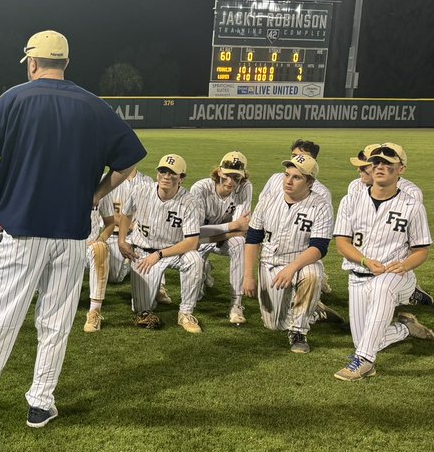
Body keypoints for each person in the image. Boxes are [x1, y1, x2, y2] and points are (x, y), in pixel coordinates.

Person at [0, 29, 146, 428]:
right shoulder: (93, 105)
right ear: (67, 63)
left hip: (23, 230)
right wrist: (95, 193)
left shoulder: (16, 97)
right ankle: (41, 402)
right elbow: (128, 163)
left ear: (32, 63)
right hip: (73, 232)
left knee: (4, 313)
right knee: (55, 318)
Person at [331, 144, 434, 382]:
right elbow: (342, 245)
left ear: (401, 169)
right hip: (357, 277)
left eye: (388, 163)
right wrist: (366, 261)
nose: (380, 166)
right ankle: (406, 328)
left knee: (382, 287)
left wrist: (406, 265)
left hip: (396, 276)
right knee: (369, 339)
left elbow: (422, 250)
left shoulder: (412, 206)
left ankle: (365, 363)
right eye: (376, 162)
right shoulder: (351, 201)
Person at [242, 154, 333, 353]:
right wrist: (248, 276)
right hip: (270, 262)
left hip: (301, 262)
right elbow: (253, 239)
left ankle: (299, 331)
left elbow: (319, 247)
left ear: (310, 182)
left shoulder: (321, 206)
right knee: (274, 325)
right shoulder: (268, 201)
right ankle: (316, 312)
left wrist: (292, 268)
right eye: (286, 175)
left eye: (296, 177)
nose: (288, 181)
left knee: (313, 274)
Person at [118, 154, 205, 332]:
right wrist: (121, 240)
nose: (166, 176)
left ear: (181, 178)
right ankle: (155, 288)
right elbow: (126, 215)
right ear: (157, 174)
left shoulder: (189, 202)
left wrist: (159, 255)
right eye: (162, 171)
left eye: (172, 173)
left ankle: (185, 313)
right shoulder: (141, 191)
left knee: (194, 259)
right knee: (142, 310)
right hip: (142, 252)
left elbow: (192, 242)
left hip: (173, 252)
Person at [347, 141, 433, 307]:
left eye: (364, 167)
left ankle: (407, 290)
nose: (360, 170)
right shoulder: (355, 187)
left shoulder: (410, 194)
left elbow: (407, 237)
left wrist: (401, 267)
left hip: (394, 259)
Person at [83, 165, 151, 332]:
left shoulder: (99, 190)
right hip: (67, 245)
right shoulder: (59, 187)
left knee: (113, 269)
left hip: (99, 244)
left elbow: (109, 223)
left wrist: (98, 241)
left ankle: (94, 311)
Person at [189, 151, 253, 325]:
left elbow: (242, 228)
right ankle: (205, 268)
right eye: (226, 175)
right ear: (218, 172)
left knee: (239, 242)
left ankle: (236, 304)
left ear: (243, 177)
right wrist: (231, 227)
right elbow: (196, 233)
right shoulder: (200, 189)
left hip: (224, 238)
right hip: (197, 241)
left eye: (236, 177)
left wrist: (233, 230)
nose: (230, 181)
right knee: (197, 296)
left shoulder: (245, 187)